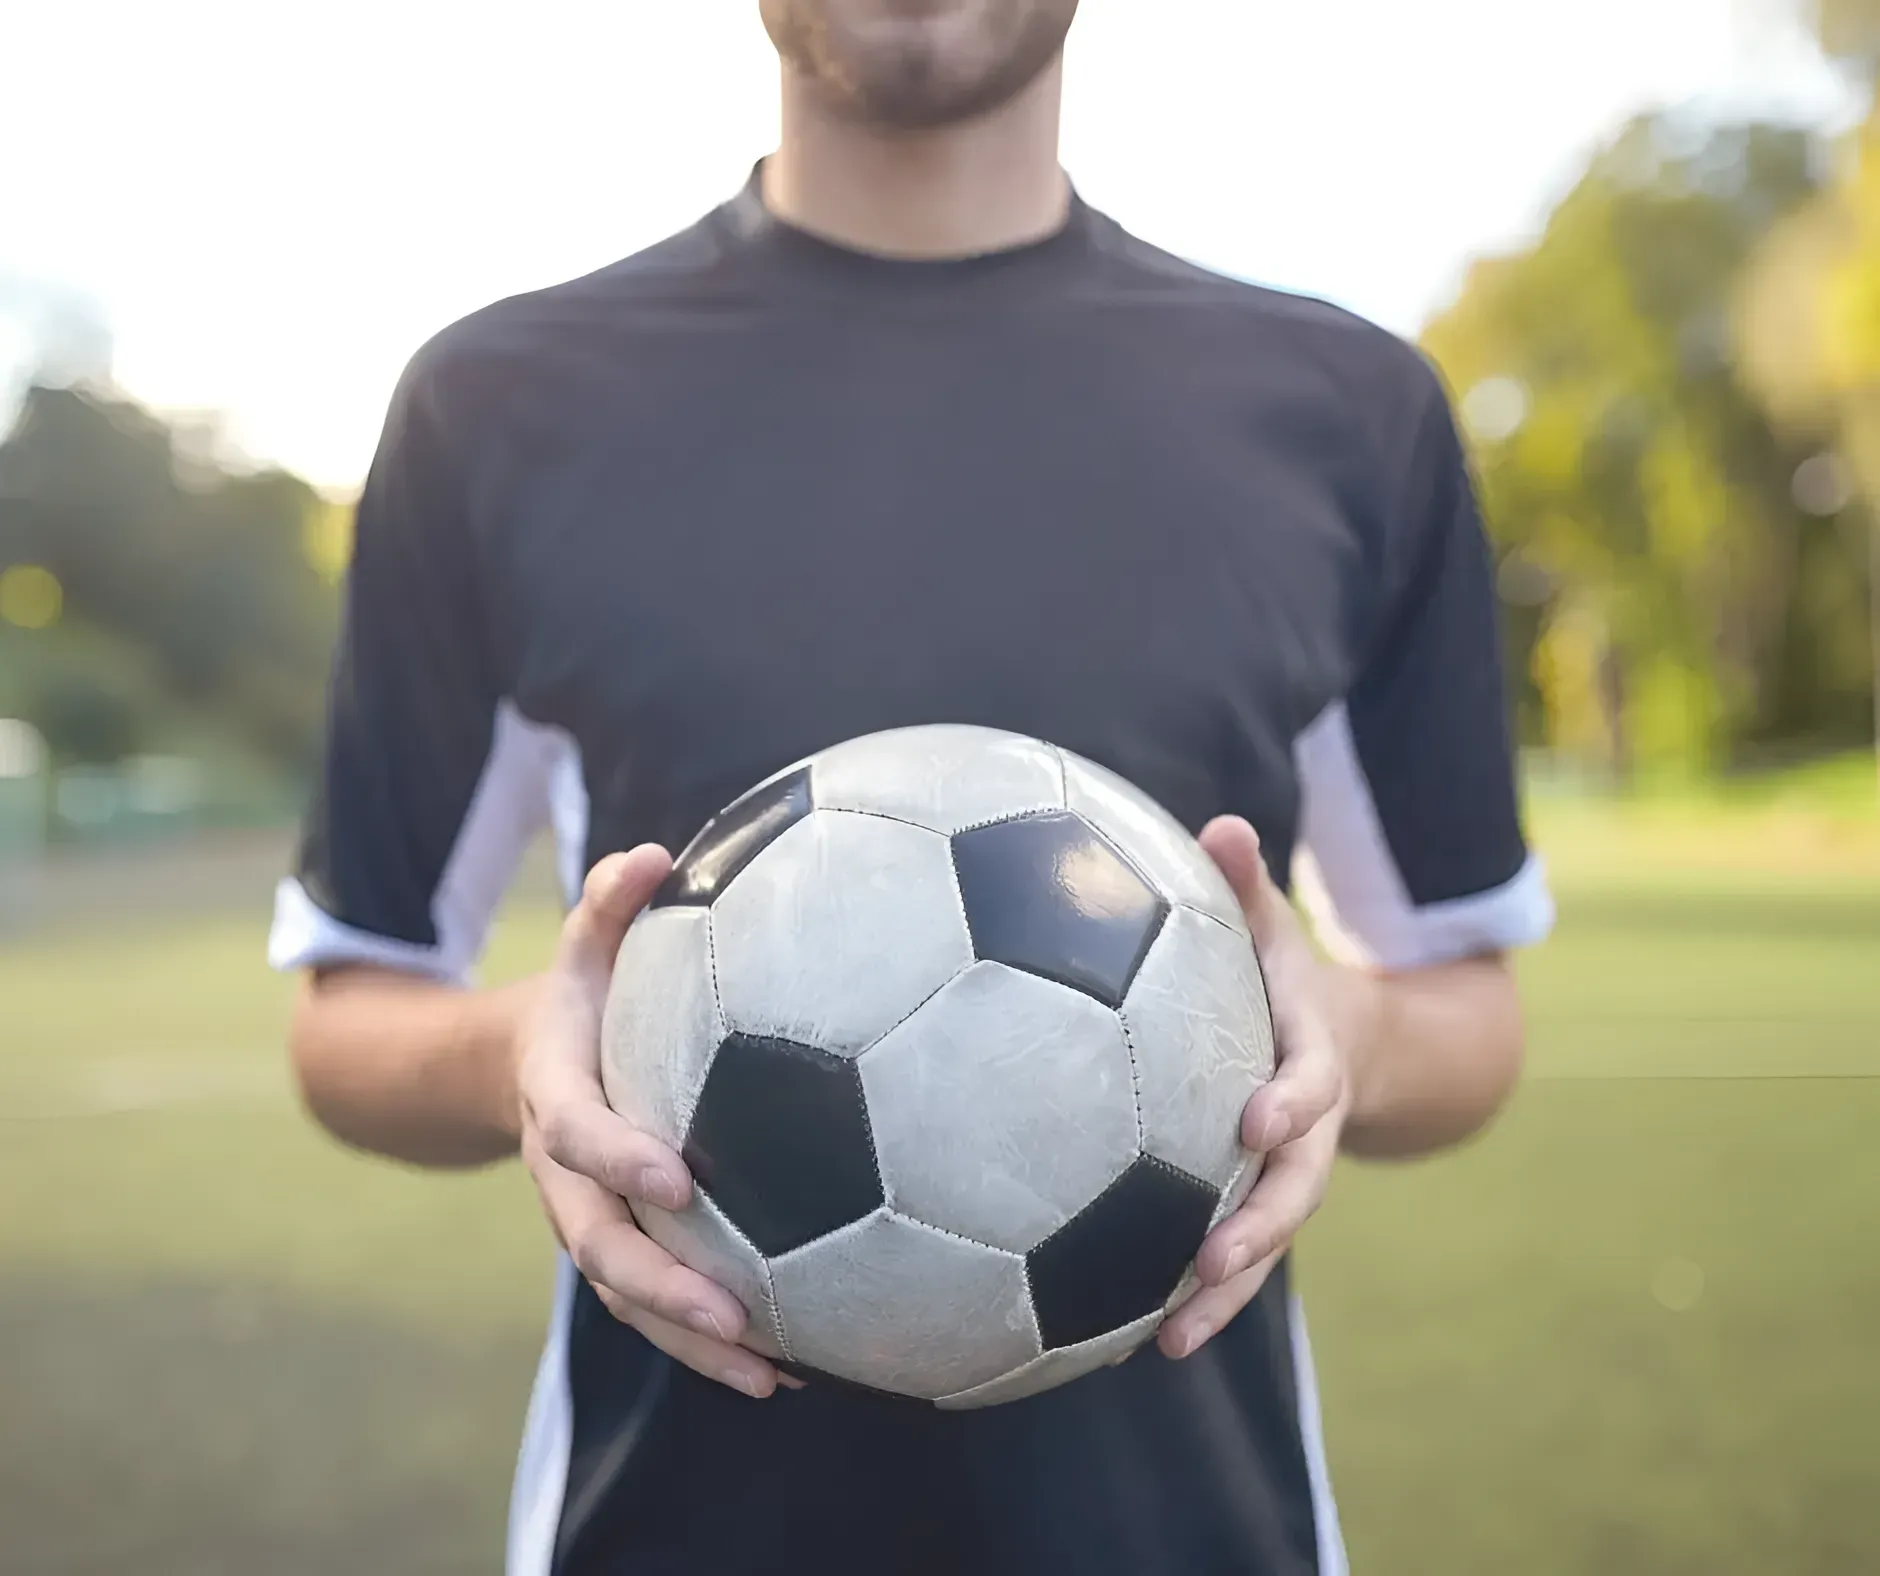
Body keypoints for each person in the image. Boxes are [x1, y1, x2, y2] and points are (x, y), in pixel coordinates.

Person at [272, 3, 1554, 1571]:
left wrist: (1332, 1034)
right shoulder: (498, 409)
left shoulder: (1347, 413)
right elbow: (350, 1021)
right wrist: (523, 1059)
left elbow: (1470, 1016)